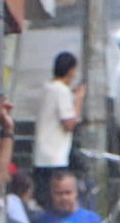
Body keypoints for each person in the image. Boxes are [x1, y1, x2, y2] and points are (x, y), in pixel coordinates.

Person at [37, 51, 81, 179]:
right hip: (55, 159)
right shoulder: (62, 91)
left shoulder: (47, 87)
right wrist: (78, 100)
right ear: (71, 71)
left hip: (41, 156)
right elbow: (69, 124)